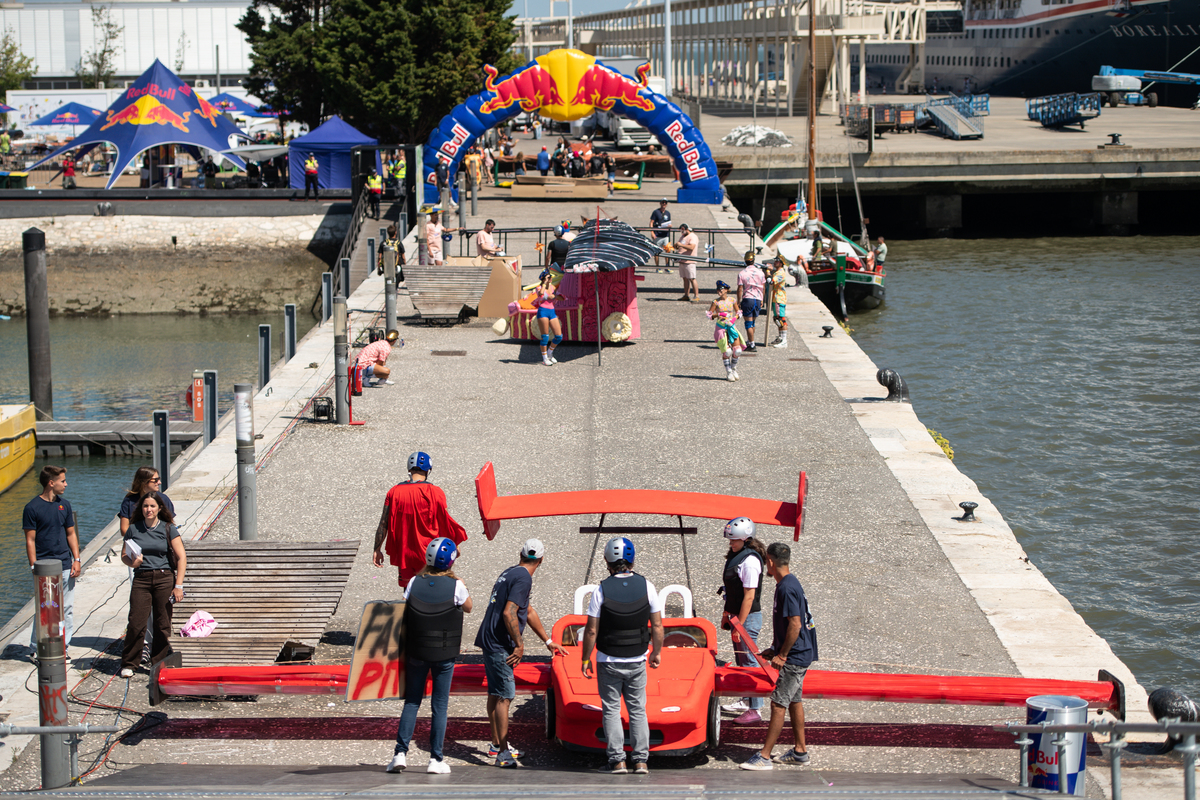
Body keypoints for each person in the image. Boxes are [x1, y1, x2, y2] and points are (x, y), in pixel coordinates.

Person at [474, 539, 566, 767]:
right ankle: (503, 754)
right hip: (499, 644)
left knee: (496, 694)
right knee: (505, 696)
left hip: (489, 639)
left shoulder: (511, 572)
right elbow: (509, 612)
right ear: (541, 560)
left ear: (521, 554)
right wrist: (519, 644)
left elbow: (528, 610)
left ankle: (496, 746)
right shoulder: (524, 577)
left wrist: (547, 640)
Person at [387, 537, 473, 775]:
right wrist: (461, 583)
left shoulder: (414, 581)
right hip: (444, 654)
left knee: (412, 702)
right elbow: (468, 607)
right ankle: (436, 759)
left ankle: (399, 754)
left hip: (416, 651)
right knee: (440, 706)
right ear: (450, 561)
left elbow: (404, 606)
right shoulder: (456, 586)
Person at [581, 537, 664, 776]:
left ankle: (617, 761)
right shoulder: (647, 586)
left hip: (608, 659)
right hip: (637, 658)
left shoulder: (602, 589)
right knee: (638, 710)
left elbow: (591, 630)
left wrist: (585, 659)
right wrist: (656, 651)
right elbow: (657, 625)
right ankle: (641, 761)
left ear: (607, 560)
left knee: (611, 709)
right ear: (632, 559)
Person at [740, 542, 818, 770]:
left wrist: (782, 655)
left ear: (771, 562)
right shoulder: (790, 583)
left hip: (795, 656)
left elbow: (795, 625)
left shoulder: (786, 587)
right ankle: (800, 751)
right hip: (797, 652)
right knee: (794, 700)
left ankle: (764, 757)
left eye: (767, 563)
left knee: (777, 704)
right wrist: (774, 649)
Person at [373, 451, 468, 588]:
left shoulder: (393, 492)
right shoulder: (435, 492)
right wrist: (455, 544)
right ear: (428, 470)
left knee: (409, 591)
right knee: (432, 589)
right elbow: (445, 521)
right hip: (429, 553)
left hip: (404, 553)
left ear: (409, 469)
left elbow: (384, 523)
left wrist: (377, 549)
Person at [118, 492, 186, 678]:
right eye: (145, 506)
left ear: (159, 509)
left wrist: (178, 585)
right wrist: (133, 563)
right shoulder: (133, 529)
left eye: (152, 506)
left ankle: (159, 663)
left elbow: (181, 557)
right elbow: (124, 555)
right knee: (136, 622)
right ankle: (130, 663)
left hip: (164, 578)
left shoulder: (168, 528)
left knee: (162, 622)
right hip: (141, 578)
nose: (149, 510)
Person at [24, 466, 80, 658]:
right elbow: (30, 540)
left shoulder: (65, 505)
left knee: (67, 609)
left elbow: (71, 534)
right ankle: (35, 648)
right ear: (51, 483)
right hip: (44, 567)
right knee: (45, 608)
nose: (66, 484)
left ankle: (63, 647)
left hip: (65, 564)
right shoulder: (32, 508)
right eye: (62, 481)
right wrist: (34, 566)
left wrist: (77, 559)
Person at [718, 517, 769, 724]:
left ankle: (755, 709)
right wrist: (727, 615)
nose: (731, 544)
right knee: (741, 660)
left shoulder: (749, 561)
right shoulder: (738, 556)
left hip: (747, 619)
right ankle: (746, 699)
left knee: (749, 662)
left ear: (746, 539)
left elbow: (749, 596)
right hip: (737, 617)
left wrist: (740, 624)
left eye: (734, 540)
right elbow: (732, 592)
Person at [708, 280, 744, 381]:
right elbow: (709, 315)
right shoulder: (716, 302)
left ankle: (733, 369)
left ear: (727, 290)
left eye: (721, 289)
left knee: (737, 350)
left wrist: (733, 319)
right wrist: (719, 314)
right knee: (727, 351)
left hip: (731, 326)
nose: (719, 290)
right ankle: (728, 371)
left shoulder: (732, 300)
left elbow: (739, 313)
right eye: (718, 289)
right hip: (721, 327)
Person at [736, 251, 765, 351]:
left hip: (748, 298)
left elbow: (740, 289)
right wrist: (762, 299)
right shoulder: (761, 273)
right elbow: (763, 287)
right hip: (757, 299)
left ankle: (752, 344)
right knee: (753, 322)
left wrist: (738, 301)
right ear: (754, 261)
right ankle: (750, 340)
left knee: (748, 323)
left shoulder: (742, 273)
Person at [534, 269, 563, 366]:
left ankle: (550, 352)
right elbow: (540, 294)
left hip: (552, 311)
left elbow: (561, 298)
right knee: (545, 337)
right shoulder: (539, 287)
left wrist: (554, 296)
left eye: (550, 277)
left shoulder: (553, 287)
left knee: (559, 336)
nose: (550, 279)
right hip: (543, 312)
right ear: (544, 279)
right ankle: (544, 358)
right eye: (548, 277)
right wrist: (544, 284)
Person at [766, 257, 789, 349]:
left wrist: (767, 272)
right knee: (776, 318)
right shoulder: (777, 272)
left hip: (779, 298)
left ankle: (784, 340)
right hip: (776, 298)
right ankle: (780, 338)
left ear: (781, 263)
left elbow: (771, 281)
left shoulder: (780, 273)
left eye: (777, 262)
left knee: (780, 319)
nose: (775, 263)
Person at [676, 223, 700, 302]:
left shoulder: (693, 236)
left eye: (683, 231)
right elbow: (679, 245)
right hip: (682, 260)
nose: (682, 233)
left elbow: (692, 247)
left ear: (687, 229)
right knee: (685, 279)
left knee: (692, 278)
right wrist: (676, 245)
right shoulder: (683, 236)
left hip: (689, 261)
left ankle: (696, 295)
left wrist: (681, 245)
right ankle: (686, 295)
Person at [650, 198, 671, 266]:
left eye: (665, 203)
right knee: (657, 252)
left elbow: (668, 222)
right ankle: (657, 266)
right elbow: (651, 222)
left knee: (668, 250)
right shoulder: (656, 212)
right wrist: (652, 232)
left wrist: (669, 226)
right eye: (663, 202)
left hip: (665, 235)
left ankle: (667, 266)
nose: (664, 204)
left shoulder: (668, 213)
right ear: (660, 203)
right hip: (658, 234)